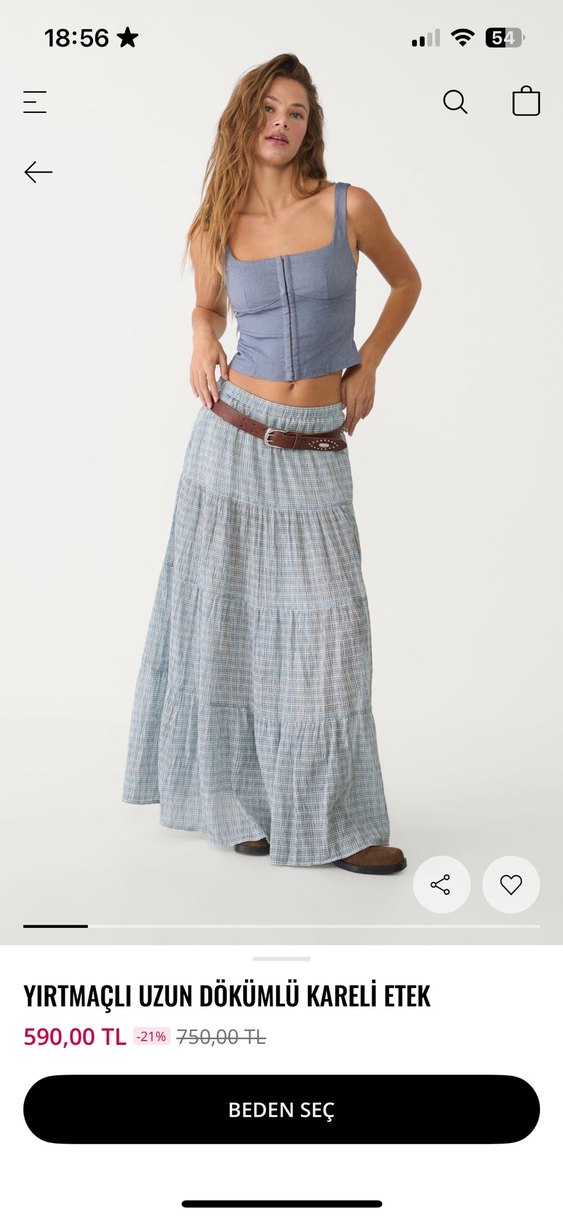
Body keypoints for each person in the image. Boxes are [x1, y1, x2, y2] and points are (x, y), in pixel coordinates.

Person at [122, 52, 421, 874]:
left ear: (308, 127)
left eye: (295, 112)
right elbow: (208, 304)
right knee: (226, 631)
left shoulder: (347, 206)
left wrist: (366, 363)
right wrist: (199, 332)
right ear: (243, 119)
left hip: (315, 440)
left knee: (332, 633)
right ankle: (238, 805)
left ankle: (341, 822)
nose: (281, 123)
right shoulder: (214, 226)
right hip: (230, 439)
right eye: (268, 109)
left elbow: (405, 282)